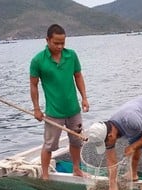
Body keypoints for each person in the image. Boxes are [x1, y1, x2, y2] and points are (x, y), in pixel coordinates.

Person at [30, 24, 90, 180]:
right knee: (49, 145)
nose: (60, 46)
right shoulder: (38, 60)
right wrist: (36, 109)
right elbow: (33, 85)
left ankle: (77, 169)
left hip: (73, 109)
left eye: (62, 43)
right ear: (47, 40)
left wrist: (84, 97)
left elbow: (78, 76)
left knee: (76, 141)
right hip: (53, 112)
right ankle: (44, 175)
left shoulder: (71, 56)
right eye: (56, 43)